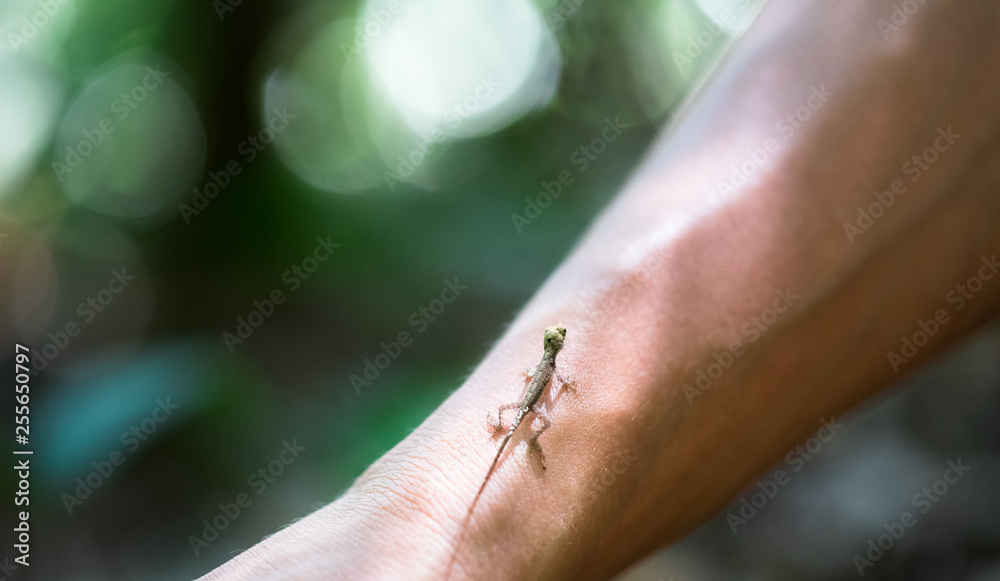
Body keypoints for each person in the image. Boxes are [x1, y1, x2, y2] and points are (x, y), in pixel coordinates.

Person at [201, 2, 1000, 579]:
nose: (553, 345)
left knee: (525, 429)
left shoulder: (548, 373)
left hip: (520, 430)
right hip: (518, 427)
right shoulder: (543, 381)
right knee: (525, 430)